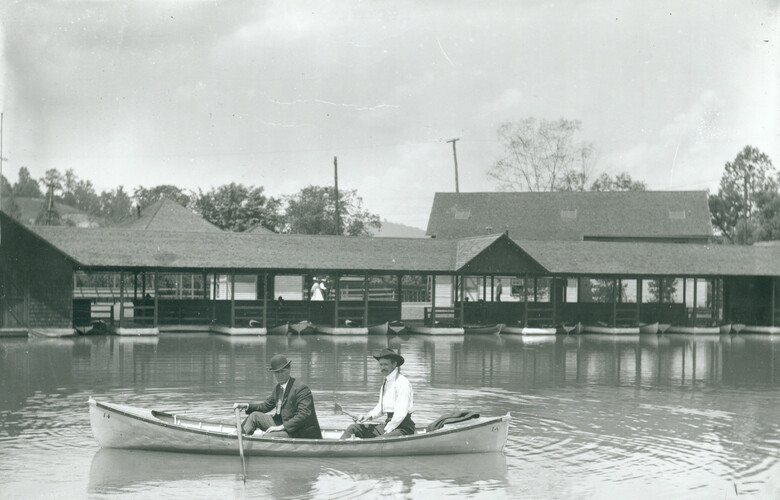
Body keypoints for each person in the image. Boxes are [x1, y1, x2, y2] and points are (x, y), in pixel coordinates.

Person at [234, 354, 322, 439]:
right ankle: (237, 438)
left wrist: (280, 427)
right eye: (277, 372)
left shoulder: (301, 388)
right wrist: (246, 406)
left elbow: (304, 415)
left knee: (267, 437)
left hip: (298, 432)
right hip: (282, 425)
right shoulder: (278, 388)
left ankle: (244, 443)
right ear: (273, 373)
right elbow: (265, 406)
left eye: (283, 371)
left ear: (289, 369)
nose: (280, 375)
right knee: (254, 416)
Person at [340, 348, 414, 439]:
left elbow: (401, 413)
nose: (382, 368)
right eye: (381, 365)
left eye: (385, 364)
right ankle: (336, 449)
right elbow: (381, 408)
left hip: (403, 428)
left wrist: (388, 429)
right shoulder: (385, 383)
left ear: (394, 364)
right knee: (353, 428)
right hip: (389, 425)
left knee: (377, 441)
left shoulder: (402, 383)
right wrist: (368, 416)